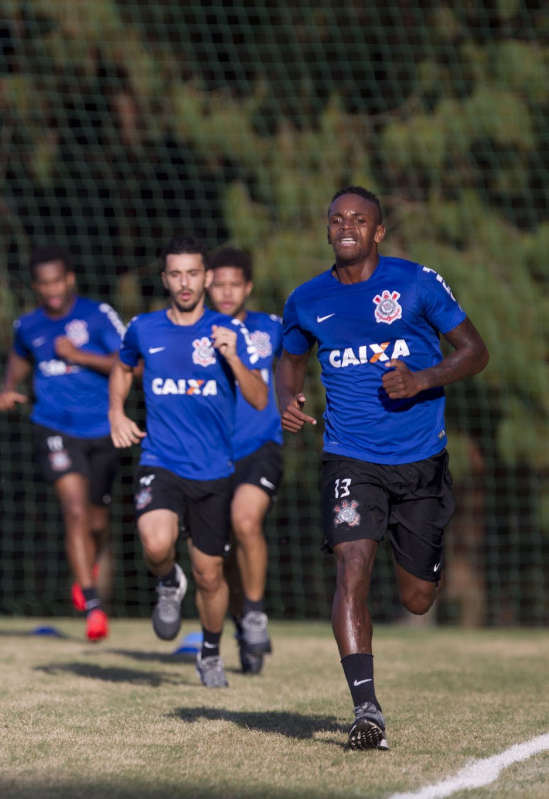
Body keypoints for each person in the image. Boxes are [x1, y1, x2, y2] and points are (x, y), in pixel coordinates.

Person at [277, 186, 488, 750]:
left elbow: (475, 351)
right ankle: (366, 710)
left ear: (378, 232)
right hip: (350, 457)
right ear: (328, 230)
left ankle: (424, 566)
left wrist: (422, 379)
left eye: (359, 219)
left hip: (420, 459)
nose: (347, 226)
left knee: (418, 596)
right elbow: (290, 358)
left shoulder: (416, 282)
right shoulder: (306, 298)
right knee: (351, 569)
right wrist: (287, 401)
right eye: (337, 218)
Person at [109, 235, 268, 687]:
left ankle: (212, 651)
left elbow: (258, 398)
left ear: (207, 278)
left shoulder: (229, 331)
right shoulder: (143, 327)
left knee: (210, 574)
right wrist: (116, 412)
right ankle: (166, 581)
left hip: (215, 471)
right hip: (161, 459)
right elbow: (122, 368)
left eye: (193, 273)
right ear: (164, 278)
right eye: (175, 273)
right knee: (156, 544)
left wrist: (234, 358)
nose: (184, 282)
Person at [0, 246, 125, 642]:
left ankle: (91, 565)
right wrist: (7, 388)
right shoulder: (28, 325)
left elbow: (127, 362)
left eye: (57, 281)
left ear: (70, 279)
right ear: (36, 286)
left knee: (96, 519)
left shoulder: (97, 315)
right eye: (43, 283)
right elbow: (18, 361)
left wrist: (80, 355)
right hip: (52, 427)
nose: (51, 290)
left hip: (102, 430)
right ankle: (92, 603)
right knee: (73, 511)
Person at [207, 247, 283, 675]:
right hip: (209, 454)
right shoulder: (194, 331)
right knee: (220, 556)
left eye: (235, 283)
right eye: (218, 284)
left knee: (246, 521)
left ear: (248, 287)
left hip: (260, 446)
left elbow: (294, 364)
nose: (227, 291)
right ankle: (241, 624)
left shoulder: (270, 328)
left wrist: (292, 397)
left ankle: (255, 613)